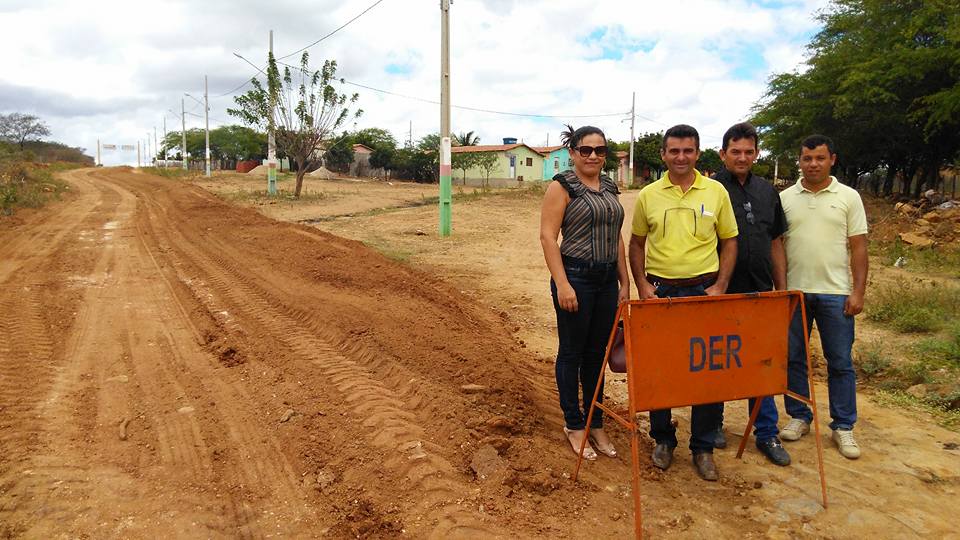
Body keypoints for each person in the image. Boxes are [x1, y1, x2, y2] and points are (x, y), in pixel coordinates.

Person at [629, 124, 738, 481]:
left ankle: (703, 447)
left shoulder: (716, 191)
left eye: (687, 151)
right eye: (673, 151)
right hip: (661, 293)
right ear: (663, 154)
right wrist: (642, 285)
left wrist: (721, 285)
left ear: (697, 153)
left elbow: (730, 241)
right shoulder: (648, 195)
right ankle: (662, 438)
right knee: (660, 369)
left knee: (705, 370)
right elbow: (636, 244)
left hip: (703, 292)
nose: (680, 157)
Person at [540, 124, 629, 461]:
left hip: (607, 281)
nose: (593, 155)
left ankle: (595, 422)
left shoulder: (609, 185)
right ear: (573, 152)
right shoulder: (562, 186)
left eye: (600, 150)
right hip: (575, 276)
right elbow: (548, 237)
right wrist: (563, 283)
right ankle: (573, 423)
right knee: (572, 352)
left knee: (597, 354)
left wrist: (625, 281)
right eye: (586, 150)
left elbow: (616, 235)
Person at [779, 134, 868, 460]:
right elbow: (779, 247)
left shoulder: (848, 197)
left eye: (819, 158)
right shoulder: (786, 198)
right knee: (794, 358)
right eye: (807, 158)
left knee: (840, 362)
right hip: (795, 293)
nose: (813, 164)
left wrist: (857, 291)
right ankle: (799, 416)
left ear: (832, 159)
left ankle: (843, 426)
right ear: (799, 161)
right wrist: (782, 289)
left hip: (835, 294)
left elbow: (859, 247)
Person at [711, 122, 791, 466]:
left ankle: (766, 432)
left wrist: (782, 290)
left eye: (748, 152)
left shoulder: (767, 192)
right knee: (717, 361)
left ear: (756, 154)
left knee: (761, 363)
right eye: (735, 151)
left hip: (760, 293)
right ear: (723, 154)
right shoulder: (709, 190)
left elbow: (776, 242)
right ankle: (712, 424)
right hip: (719, 292)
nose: (742, 157)